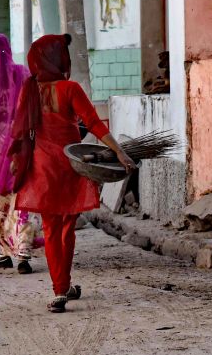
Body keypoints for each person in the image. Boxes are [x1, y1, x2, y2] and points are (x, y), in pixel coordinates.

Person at [10, 34, 135, 313]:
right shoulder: (70, 88)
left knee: (51, 229)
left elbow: (18, 134)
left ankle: (60, 290)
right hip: (70, 166)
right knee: (68, 228)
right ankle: (62, 286)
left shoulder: (28, 91)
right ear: (58, 60)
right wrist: (119, 151)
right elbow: (93, 123)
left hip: (41, 169)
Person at [0, 33, 40, 274]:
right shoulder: (21, 74)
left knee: (1, 200)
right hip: (20, 143)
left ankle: (4, 251)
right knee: (22, 197)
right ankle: (21, 252)